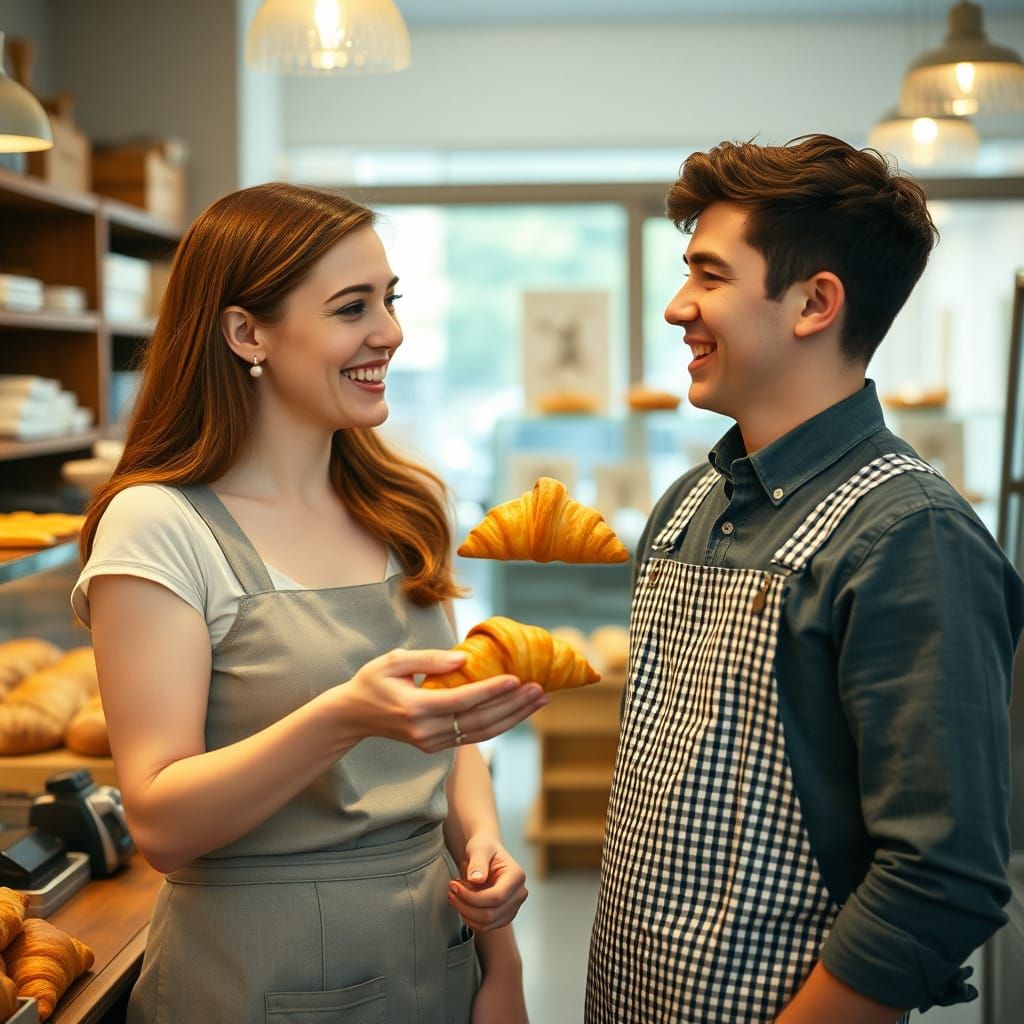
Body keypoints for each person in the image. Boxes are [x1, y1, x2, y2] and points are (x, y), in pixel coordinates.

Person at [72, 182, 547, 1023]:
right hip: (253, 973)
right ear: (246, 332)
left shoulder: (402, 507)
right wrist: (345, 716)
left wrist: (487, 881)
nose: (389, 332)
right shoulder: (160, 526)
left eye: (390, 300)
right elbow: (159, 822)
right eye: (351, 307)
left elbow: (445, 733)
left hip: (439, 957)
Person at [586, 135, 1024, 1024]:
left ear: (815, 303)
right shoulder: (687, 505)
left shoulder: (910, 536)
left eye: (709, 277)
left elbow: (940, 879)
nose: (678, 308)